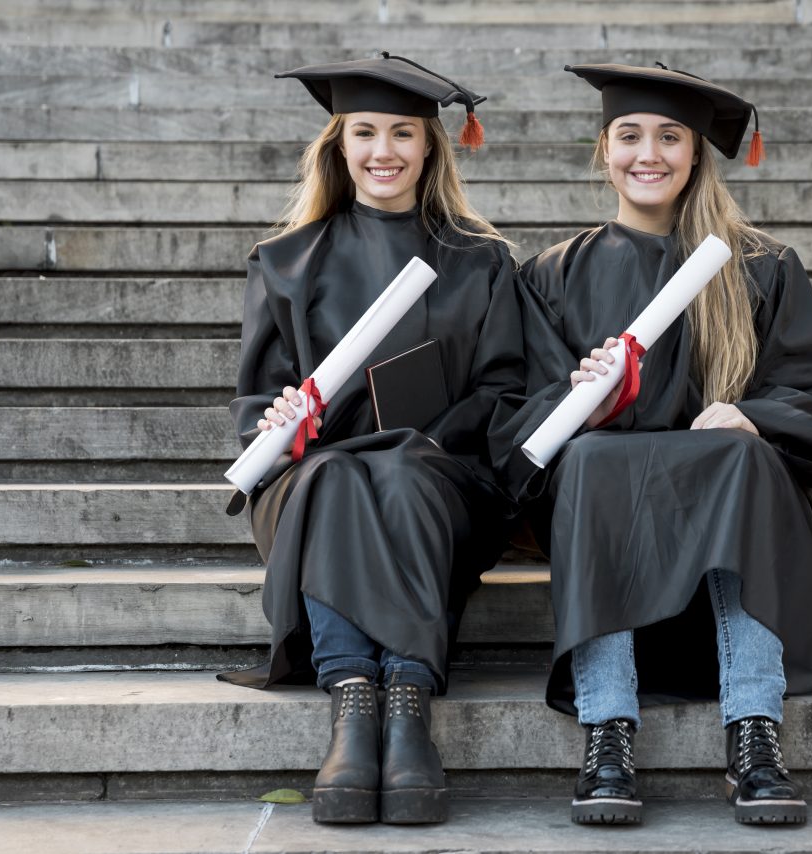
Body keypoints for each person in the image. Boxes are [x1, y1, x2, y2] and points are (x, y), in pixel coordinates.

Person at [492, 63, 812, 827]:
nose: (650, 154)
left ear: (697, 153)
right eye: (630, 136)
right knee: (595, 459)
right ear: (603, 149)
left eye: (671, 137)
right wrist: (579, 402)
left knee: (741, 453)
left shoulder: (760, 265)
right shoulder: (550, 276)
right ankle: (607, 729)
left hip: (728, 519)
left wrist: (754, 417)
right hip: (614, 521)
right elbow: (515, 425)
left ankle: (754, 732)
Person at [220, 53, 524, 826]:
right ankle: (359, 703)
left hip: (441, 478)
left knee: (396, 472)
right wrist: (281, 419)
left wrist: (416, 432)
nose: (383, 150)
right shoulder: (285, 264)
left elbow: (504, 392)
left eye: (402, 133)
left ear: (429, 148)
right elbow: (258, 397)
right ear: (338, 144)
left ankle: (405, 698)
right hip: (311, 481)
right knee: (340, 477)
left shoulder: (479, 262)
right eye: (364, 132)